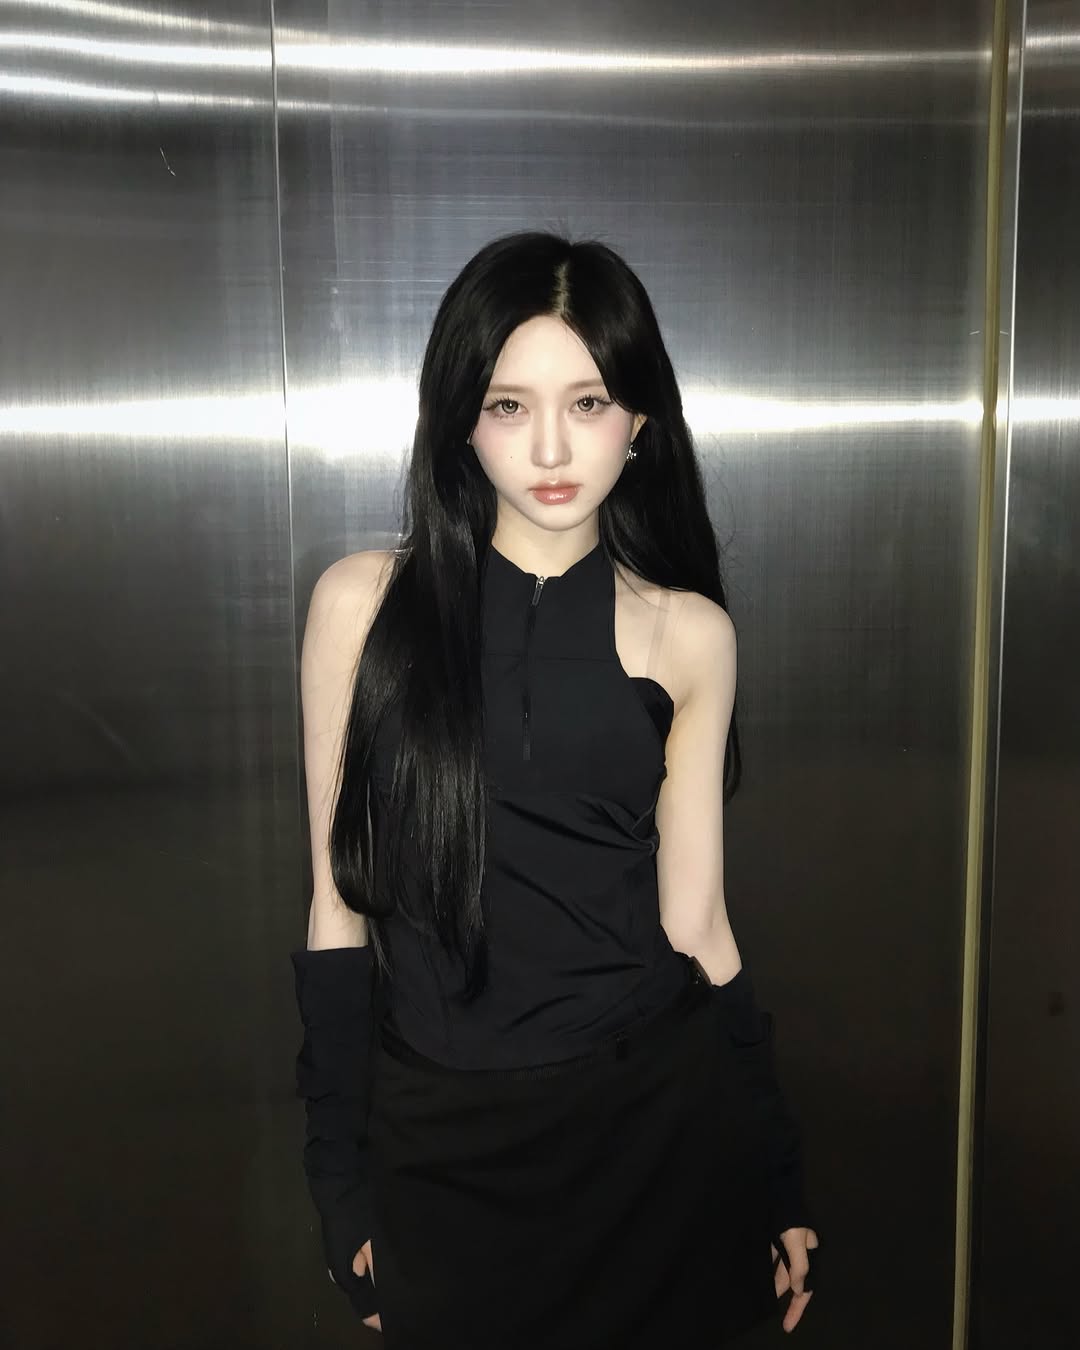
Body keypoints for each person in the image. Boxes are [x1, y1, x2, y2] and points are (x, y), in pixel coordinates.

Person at [290, 231, 820, 1349]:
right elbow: (336, 911)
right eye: (507, 405)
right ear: (460, 419)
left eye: (587, 403)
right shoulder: (361, 608)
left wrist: (776, 1171)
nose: (548, 447)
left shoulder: (688, 634)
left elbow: (698, 924)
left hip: (655, 1138)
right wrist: (338, 1176)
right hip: (442, 1151)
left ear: (640, 418)